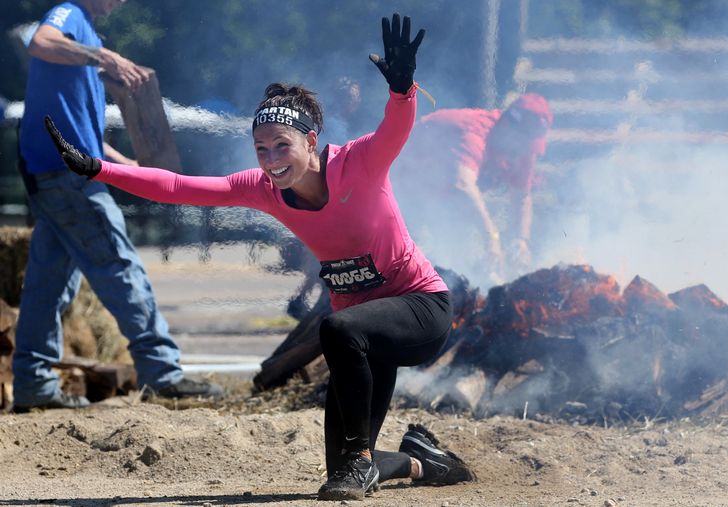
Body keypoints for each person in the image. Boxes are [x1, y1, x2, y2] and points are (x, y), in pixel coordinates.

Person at [44, 12, 474, 501]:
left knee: (337, 330)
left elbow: (395, 128)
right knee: (340, 464)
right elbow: (180, 188)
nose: (271, 161)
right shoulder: (265, 189)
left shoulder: (359, 163)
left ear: (311, 141)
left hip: (420, 309)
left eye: (282, 147)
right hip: (364, 329)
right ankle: (422, 461)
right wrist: (99, 169)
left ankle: (361, 460)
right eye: (262, 150)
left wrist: (403, 90)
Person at [13, 0, 223, 413]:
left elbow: (82, 131)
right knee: (120, 267)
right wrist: (106, 56)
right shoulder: (69, 15)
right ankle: (162, 373)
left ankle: (32, 381)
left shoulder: (83, 33)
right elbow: (41, 40)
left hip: (54, 174)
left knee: (49, 283)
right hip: (69, 178)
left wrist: (129, 167)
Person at [391, 92, 553, 288]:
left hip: (442, 200)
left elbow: (522, 196)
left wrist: (521, 239)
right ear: (511, 130)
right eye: (523, 144)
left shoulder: (523, 148)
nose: (525, 151)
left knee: (463, 264)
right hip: (401, 191)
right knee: (416, 263)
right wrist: (491, 236)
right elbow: (463, 184)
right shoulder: (475, 132)